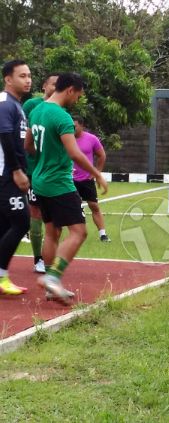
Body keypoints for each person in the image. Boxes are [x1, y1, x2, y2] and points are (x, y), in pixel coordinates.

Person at [25, 72, 109, 304]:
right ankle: (53, 277)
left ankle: (51, 285)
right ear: (70, 90)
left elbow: (28, 145)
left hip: (40, 181)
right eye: (78, 95)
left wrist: (45, 158)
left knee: (52, 232)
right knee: (79, 231)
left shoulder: (37, 110)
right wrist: (97, 174)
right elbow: (74, 153)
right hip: (59, 183)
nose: (77, 100)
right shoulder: (62, 117)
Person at [0, 60, 32, 296]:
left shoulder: (17, 106)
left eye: (29, 75)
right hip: (5, 175)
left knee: (4, 225)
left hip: (9, 173)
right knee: (21, 221)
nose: (28, 79)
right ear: (8, 79)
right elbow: (6, 138)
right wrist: (16, 171)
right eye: (22, 76)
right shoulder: (4, 103)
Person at [23, 72, 58, 273]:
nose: (55, 88)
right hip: (34, 169)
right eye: (53, 84)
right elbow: (25, 141)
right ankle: (38, 259)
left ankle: (50, 258)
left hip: (53, 172)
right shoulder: (31, 106)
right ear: (44, 86)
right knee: (34, 211)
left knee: (53, 218)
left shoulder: (61, 109)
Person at [72, 116, 110, 242]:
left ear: (82, 126)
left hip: (86, 180)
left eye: (75, 126)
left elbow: (101, 155)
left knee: (94, 206)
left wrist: (96, 172)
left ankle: (103, 234)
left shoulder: (91, 139)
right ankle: (72, 234)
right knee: (68, 208)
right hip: (68, 180)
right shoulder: (66, 138)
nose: (72, 128)